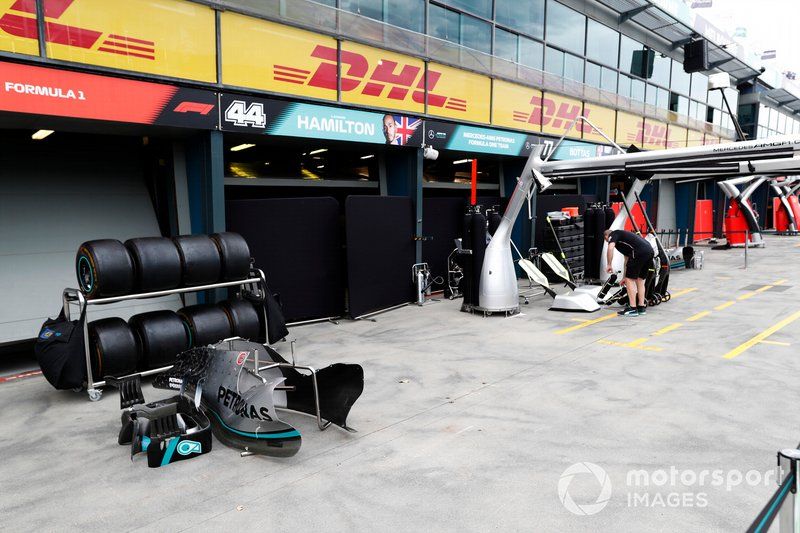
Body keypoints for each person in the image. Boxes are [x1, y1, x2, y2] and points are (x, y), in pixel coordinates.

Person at [604, 229, 654, 316]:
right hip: (649, 251)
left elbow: (610, 248)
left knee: (630, 280)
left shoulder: (614, 234)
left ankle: (633, 308)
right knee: (640, 280)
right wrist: (624, 277)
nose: (608, 242)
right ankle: (641, 307)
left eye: (606, 240)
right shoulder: (625, 241)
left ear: (606, 237)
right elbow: (627, 260)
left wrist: (609, 264)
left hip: (639, 252)